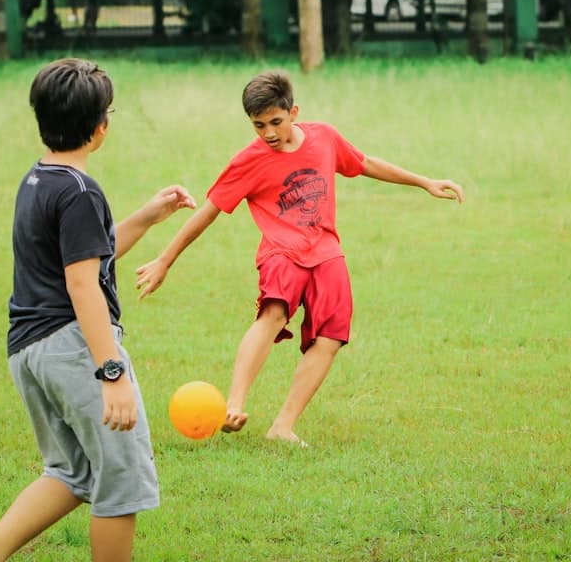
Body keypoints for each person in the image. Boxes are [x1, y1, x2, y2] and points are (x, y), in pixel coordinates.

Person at [134, 69, 464, 447]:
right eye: (259, 125)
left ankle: (283, 426)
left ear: (294, 111)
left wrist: (425, 182)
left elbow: (364, 162)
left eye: (276, 121)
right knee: (273, 313)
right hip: (281, 252)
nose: (269, 133)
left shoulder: (324, 137)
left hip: (326, 252)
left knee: (332, 336)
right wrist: (164, 260)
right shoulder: (248, 161)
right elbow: (207, 212)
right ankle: (235, 404)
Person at [0, 58, 197, 562]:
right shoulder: (82, 192)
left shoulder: (39, 180)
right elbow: (83, 284)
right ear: (100, 128)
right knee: (121, 481)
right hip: (73, 348)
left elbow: (90, 255)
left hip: (30, 349)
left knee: (72, 471)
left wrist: (148, 217)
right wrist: (111, 371)